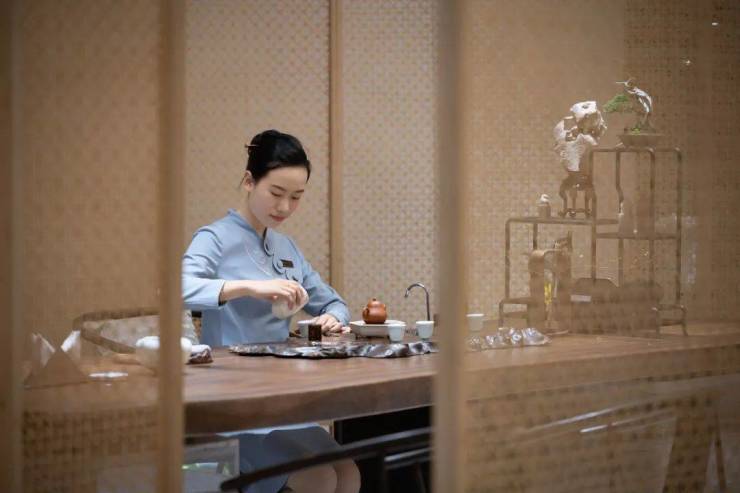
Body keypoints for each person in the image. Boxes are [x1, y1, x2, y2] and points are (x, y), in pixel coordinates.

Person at [182, 129, 360, 493]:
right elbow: (178, 289)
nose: (284, 208)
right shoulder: (215, 237)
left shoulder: (286, 247)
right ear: (250, 181)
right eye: (276, 193)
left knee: (349, 474)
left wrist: (333, 318)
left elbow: (334, 303)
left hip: (284, 399)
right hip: (235, 402)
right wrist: (249, 287)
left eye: (296, 197)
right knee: (319, 479)